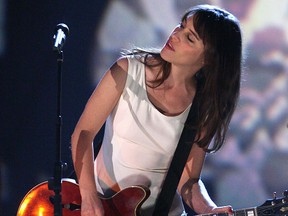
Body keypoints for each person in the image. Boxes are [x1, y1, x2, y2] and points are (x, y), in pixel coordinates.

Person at [71, 4, 243, 216]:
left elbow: (188, 180)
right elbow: (83, 133)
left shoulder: (203, 106)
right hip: (105, 206)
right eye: (181, 26)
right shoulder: (127, 70)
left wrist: (209, 209)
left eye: (190, 38)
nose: (176, 35)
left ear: (208, 59)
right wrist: (88, 196)